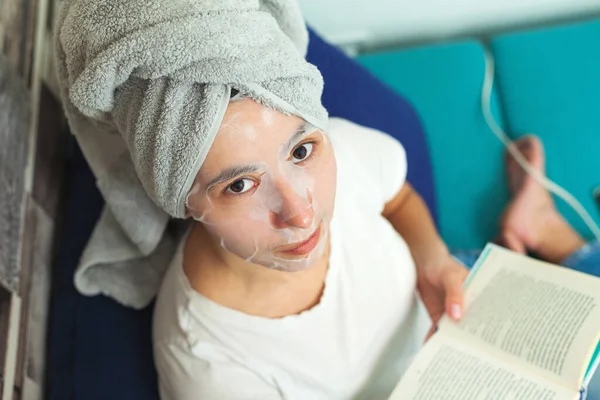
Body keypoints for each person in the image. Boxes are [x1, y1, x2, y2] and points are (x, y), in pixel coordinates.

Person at [152, 94, 600, 399]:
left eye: (302, 153)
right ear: (184, 202)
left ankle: (545, 228)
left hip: (452, 297)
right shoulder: (206, 361)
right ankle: (550, 233)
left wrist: (433, 261)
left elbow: (398, 196)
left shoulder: (335, 147)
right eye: (240, 185)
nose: (302, 215)